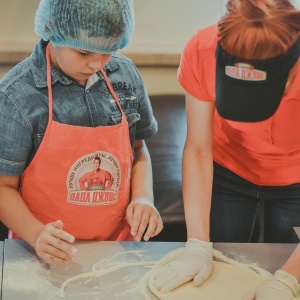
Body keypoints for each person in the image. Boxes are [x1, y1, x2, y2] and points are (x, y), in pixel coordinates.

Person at [152, 0, 300, 299]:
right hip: (228, 167)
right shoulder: (201, 49)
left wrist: (289, 278)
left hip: (296, 178)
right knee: (220, 271)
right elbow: (198, 149)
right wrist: (197, 244)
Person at [0, 0, 163, 265]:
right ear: (51, 28)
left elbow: (139, 150)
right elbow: (3, 187)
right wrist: (37, 234)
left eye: (108, 50)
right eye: (83, 52)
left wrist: (144, 197)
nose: (96, 63)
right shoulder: (17, 96)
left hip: (116, 249)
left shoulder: (125, 76)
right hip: (42, 252)